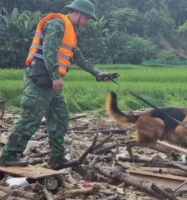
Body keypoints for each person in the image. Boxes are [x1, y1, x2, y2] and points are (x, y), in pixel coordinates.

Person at [0, 0, 115, 167]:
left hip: (51, 83)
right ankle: (8, 155)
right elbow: (49, 50)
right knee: (31, 117)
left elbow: (79, 58)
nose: (87, 22)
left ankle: (56, 158)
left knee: (60, 117)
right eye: (87, 18)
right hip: (39, 79)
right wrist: (55, 76)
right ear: (77, 13)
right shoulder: (57, 24)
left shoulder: (71, 32)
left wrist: (99, 73)